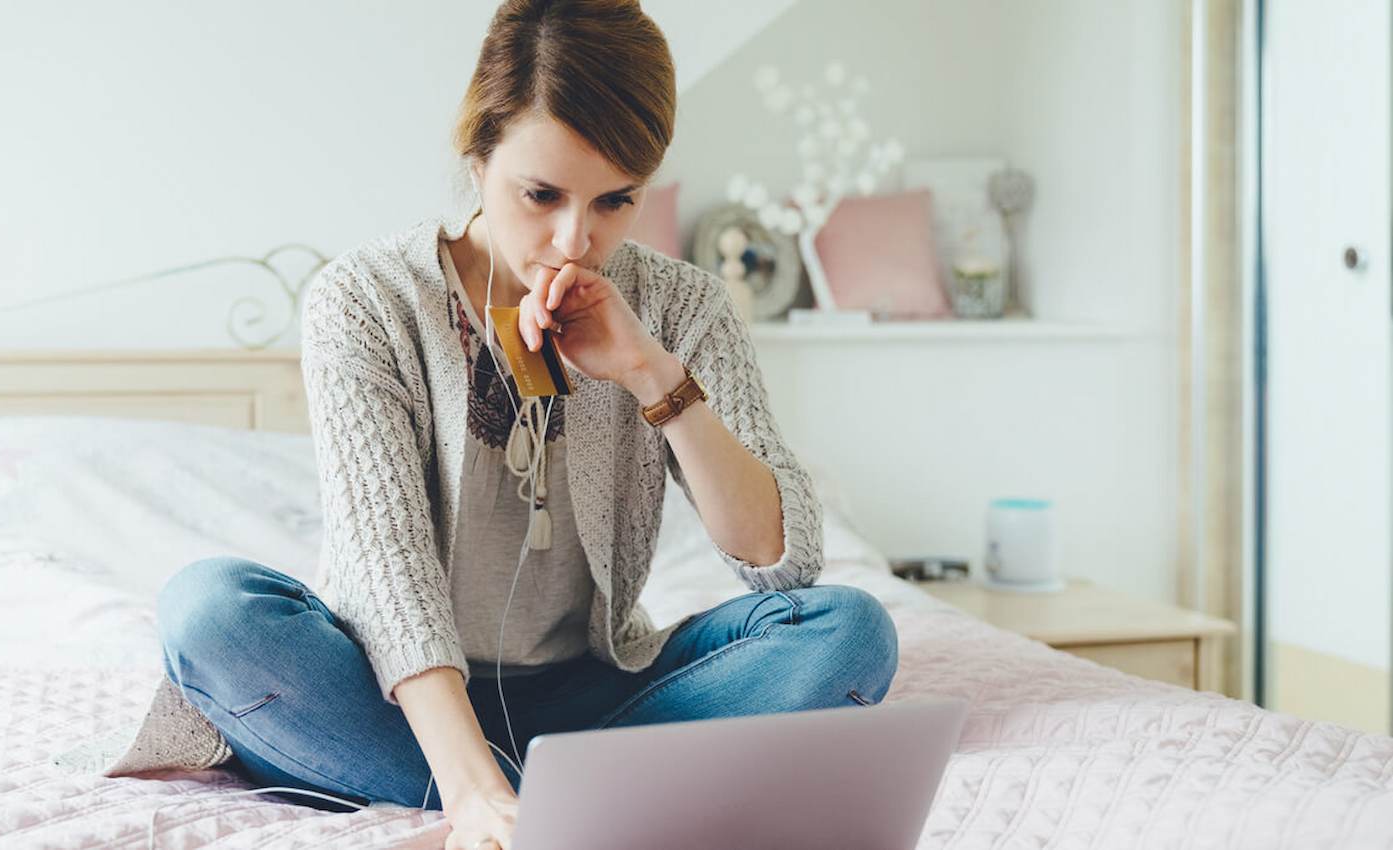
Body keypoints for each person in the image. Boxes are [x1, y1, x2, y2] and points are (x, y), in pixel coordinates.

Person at [121, 2, 899, 849]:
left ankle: (518, 788)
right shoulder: (367, 301)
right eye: (541, 194)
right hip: (394, 693)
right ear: (478, 152)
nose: (576, 238)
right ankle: (567, 791)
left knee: (847, 631)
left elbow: (781, 566)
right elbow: (385, 570)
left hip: (597, 686)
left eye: (615, 200)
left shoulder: (679, 305)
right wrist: (472, 795)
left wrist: (653, 376)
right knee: (208, 612)